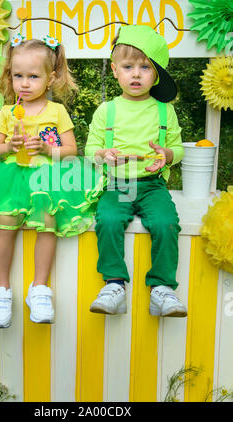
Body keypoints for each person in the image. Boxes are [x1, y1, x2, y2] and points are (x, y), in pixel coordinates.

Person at [0, 36, 104, 328]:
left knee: (48, 221)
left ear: (50, 78)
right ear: (10, 76)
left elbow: (72, 151)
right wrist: (9, 146)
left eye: (33, 76)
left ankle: (40, 289)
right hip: (13, 177)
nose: (25, 83)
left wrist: (48, 149)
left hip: (49, 177)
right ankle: (1, 290)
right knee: (6, 220)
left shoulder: (56, 112)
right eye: (18, 75)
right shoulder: (8, 112)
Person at [85, 24, 187, 318]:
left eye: (145, 67)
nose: (136, 74)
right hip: (119, 184)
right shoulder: (107, 110)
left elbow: (178, 149)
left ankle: (162, 289)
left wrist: (167, 155)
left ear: (156, 75)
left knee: (167, 223)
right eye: (128, 66)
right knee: (108, 218)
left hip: (153, 185)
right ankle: (114, 284)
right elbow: (90, 151)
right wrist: (104, 155)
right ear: (115, 70)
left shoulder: (164, 110)